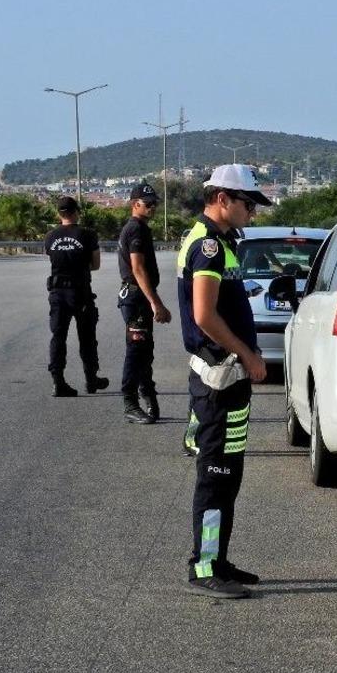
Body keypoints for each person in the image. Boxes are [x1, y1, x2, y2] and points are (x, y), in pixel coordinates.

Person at [178, 164, 270, 598]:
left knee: (229, 473)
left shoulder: (222, 244)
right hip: (219, 379)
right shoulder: (209, 247)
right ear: (222, 199)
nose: (252, 212)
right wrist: (248, 353)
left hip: (228, 382)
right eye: (248, 203)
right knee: (215, 475)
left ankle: (219, 558)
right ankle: (204, 565)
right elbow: (203, 315)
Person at [117, 184, 172, 424]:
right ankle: (130, 402)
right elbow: (138, 269)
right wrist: (156, 303)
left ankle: (148, 394)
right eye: (147, 203)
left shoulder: (141, 228)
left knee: (144, 351)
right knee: (136, 351)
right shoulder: (136, 230)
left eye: (154, 203)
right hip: (136, 298)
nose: (152, 207)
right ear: (134, 204)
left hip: (137, 297)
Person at [43, 196, 108, 397]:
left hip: (57, 293)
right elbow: (95, 265)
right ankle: (91, 379)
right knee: (87, 337)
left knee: (58, 337)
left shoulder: (50, 236)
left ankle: (58, 381)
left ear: (58, 214)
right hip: (80, 293)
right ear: (77, 212)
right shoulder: (87, 235)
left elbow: (53, 258)